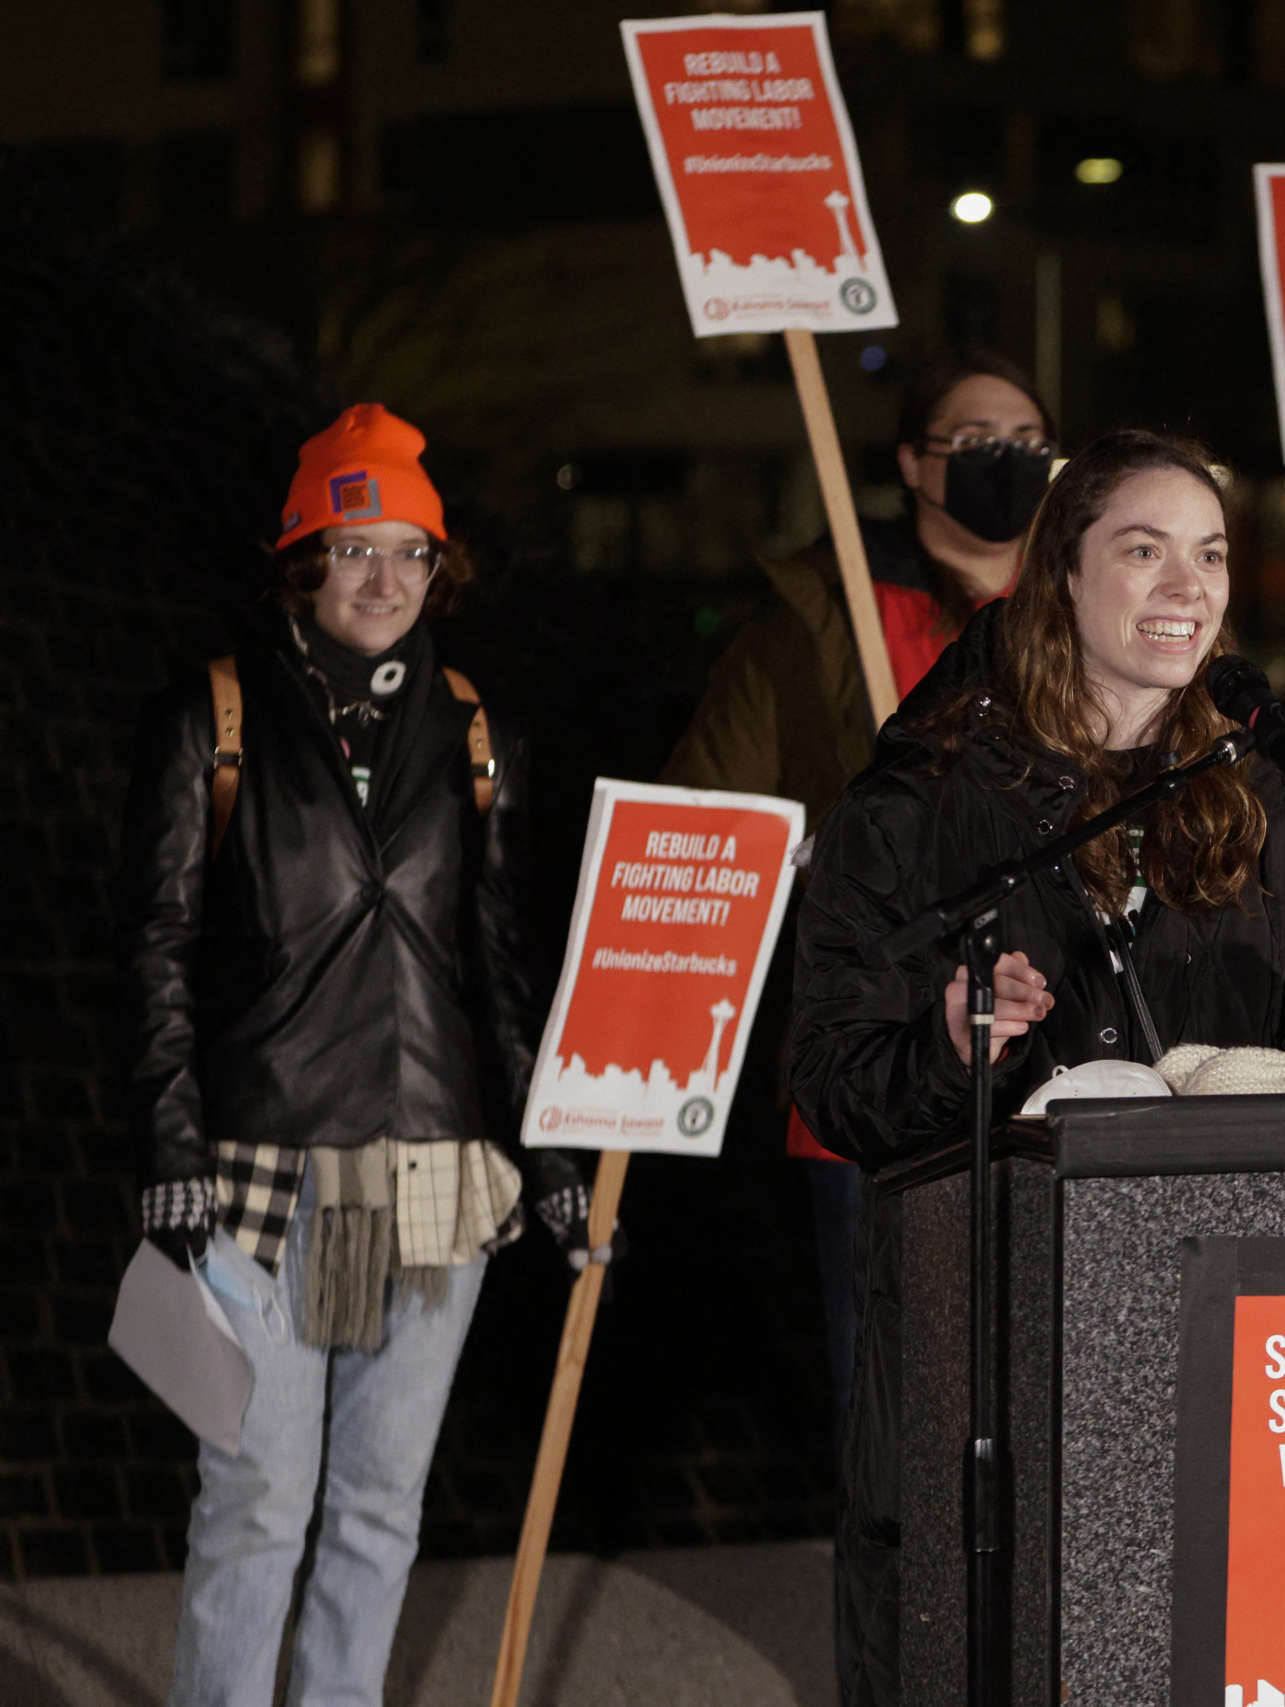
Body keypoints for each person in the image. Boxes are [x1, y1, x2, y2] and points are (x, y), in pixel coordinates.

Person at [790, 429, 1285, 1700]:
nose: (1185, 588)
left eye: (1206, 556)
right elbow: (831, 1078)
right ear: (1061, 575)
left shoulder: (1268, 789)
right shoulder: (920, 802)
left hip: (1217, 1338)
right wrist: (953, 1046)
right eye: (1142, 551)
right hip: (997, 1338)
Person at [117, 404, 596, 1707]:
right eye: (354, 546)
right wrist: (166, 1146)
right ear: (301, 560)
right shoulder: (212, 714)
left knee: (382, 1501)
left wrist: (544, 1150)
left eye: (411, 552)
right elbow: (153, 949)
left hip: (431, 1164)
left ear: (442, 570)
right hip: (258, 1163)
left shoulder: (475, 731)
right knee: (259, 1492)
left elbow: (496, 964)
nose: (384, 578)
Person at [660, 346, 1056, 1441]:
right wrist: (810, 850)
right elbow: (703, 820)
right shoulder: (819, 618)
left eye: (1028, 444)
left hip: (1066, 1058)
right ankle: (897, 1611)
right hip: (883, 1055)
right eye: (976, 442)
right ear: (912, 465)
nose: (1006, 464)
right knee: (892, 1401)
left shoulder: (1088, 616)